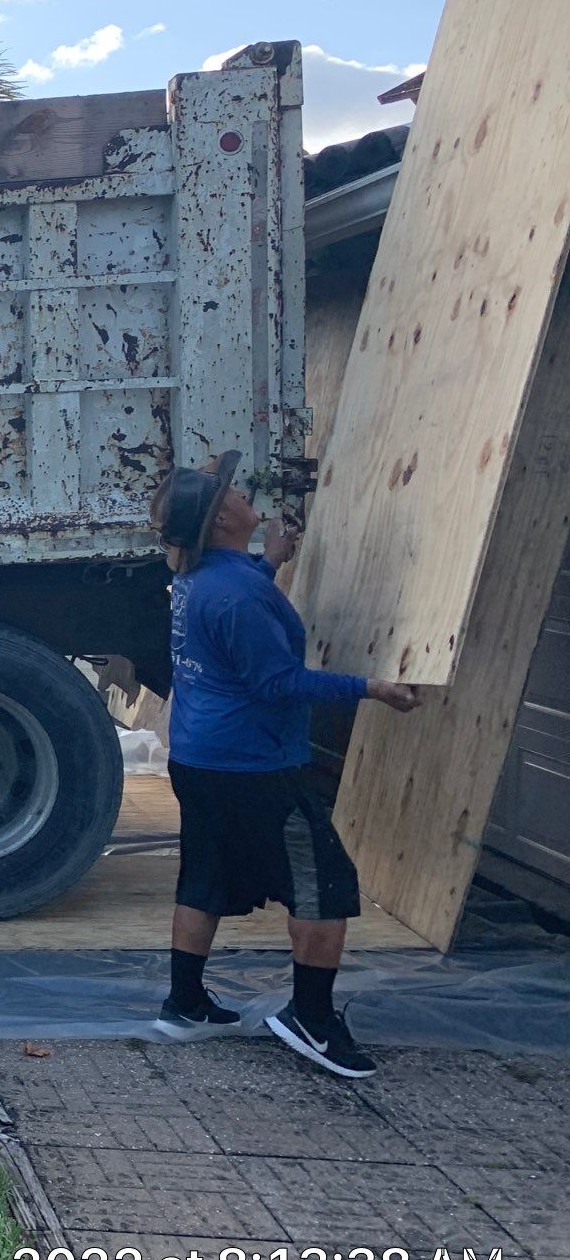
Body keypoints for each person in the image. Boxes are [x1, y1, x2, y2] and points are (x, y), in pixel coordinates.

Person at [148, 452, 420, 1078]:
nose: (243, 493)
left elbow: (235, 615)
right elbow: (277, 684)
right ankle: (312, 1021)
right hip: (255, 769)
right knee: (324, 886)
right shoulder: (238, 592)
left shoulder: (201, 576)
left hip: (200, 758)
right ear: (222, 522)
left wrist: (270, 561)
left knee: (205, 877)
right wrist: (372, 688)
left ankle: (184, 1004)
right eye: (231, 492)